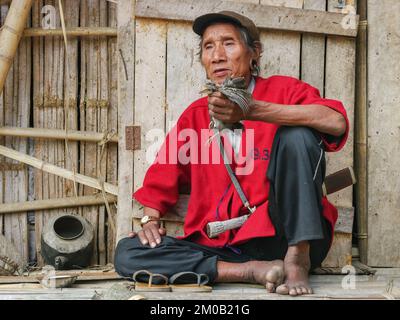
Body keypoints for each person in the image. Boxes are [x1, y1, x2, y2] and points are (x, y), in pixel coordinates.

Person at [114, 11, 349, 296]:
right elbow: (163, 175)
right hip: (223, 248)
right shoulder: (196, 115)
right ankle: (250, 271)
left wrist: (253, 110)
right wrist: (150, 220)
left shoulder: (284, 90)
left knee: (297, 134)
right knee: (128, 252)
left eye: (228, 43)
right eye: (208, 47)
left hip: (283, 234)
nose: (217, 56)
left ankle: (297, 257)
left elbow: (335, 121)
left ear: (254, 53)